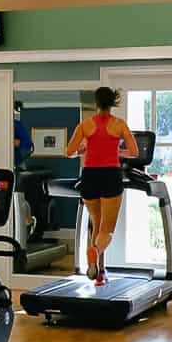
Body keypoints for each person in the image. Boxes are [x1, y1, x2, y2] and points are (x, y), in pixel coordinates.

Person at [65, 86, 138, 285]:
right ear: (113, 102)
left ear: (96, 103)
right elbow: (134, 152)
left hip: (89, 176)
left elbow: (68, 152)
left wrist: (85, 149)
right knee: (107, 229)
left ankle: (97, 271)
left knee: (96, 223)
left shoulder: (85, 125)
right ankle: (95, 252)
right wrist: (115, 152)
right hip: (110, 175)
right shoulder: (119, 124)